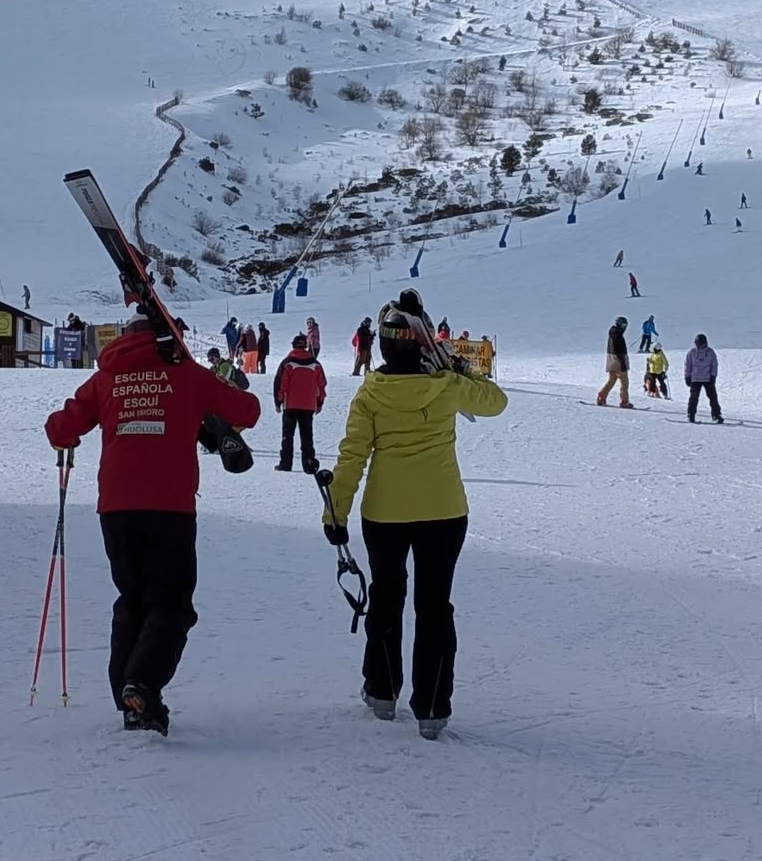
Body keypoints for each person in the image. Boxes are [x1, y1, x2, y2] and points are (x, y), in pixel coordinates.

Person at [45, 288, 260, 735]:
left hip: (116, 508)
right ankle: (141, 684)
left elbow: (60, 427)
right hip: (170, 506)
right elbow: (249, 410)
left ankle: (132, 698)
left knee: (134, 599)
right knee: (172, 604)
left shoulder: (106, 377)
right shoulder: (188, 375)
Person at [323, 301, 508, 738]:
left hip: (385, 513)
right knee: (435, 606)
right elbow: (496, 402)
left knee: (387, 599)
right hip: (444, 511)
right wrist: (460, 367)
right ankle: (432, 708)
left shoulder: (369, 393)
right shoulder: (446, 385)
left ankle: (383, 692)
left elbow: (352, 457)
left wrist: (335, 512)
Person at [273, 334, 326, 472]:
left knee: (287, 436)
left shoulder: (288, 362)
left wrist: (278, 401)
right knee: (307, 436)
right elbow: (322, 385)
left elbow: (280, 383)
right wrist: (319, 402)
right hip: (309, 405)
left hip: (291, 404)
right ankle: (309, 465)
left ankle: (286, 463)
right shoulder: (315, 363)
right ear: (306, 346)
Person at [684, 334, 723, 423]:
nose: (698, 345)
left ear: (704, 343)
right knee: (693, 398)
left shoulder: (710, 352)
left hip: (708, 379)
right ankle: (691, 415)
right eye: (697, 343)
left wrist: (713, 376)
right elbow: (687, 365)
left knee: (713, 398)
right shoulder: (692, 352)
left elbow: (714, 364)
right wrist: (687, 376)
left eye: (699, 343)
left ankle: (716, 415)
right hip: (695, 379)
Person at [596, 318, 632, 408]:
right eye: (623, 325)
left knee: (611, 380)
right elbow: (618, 350)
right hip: (618, 362)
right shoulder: (617, 335)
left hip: (611, 361)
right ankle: (624, 401)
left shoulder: (613, 333)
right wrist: (622, 362)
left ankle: (601, 396)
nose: (625, 327)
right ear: (618, 324)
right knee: (624, 382)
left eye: (626, 325)